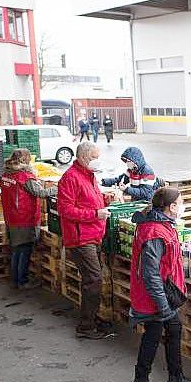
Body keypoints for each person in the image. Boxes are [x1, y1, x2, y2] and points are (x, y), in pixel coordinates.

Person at [130, 187, 191, 382]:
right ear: (171, 207)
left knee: (174, 329)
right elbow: (151, 274)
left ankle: (176, 378)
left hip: (164, 294)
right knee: (152, 335)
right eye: (180, 202)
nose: (182, 206)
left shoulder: (163, 224)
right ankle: (140, 381)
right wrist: (162, 306)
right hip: (155, 297)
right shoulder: (154, 232)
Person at [58, 141, 113, 339]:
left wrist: (105, 200)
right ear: (83, 157)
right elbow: (65, 209)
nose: (97, 161)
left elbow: (87, 200)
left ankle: (91, 316)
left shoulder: (89, 176)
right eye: (94, 158)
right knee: (94, 279)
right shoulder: (70, 178)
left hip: (93, 234)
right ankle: (86, 326)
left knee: (92, 279)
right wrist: (95, 214)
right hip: (81, 238)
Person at [0, 149, 58, 290]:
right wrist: (57, 188)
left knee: (16, 250)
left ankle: (15, 280)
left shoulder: (6, 174)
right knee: (25, 250)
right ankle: (22, 281)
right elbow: (40, 193)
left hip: (11, 217)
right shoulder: (24, 176)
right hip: (24, 218)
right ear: (25, 160)